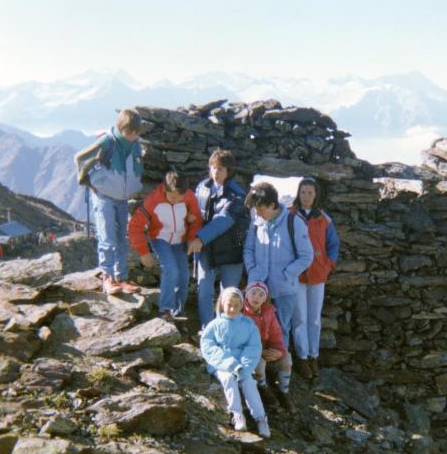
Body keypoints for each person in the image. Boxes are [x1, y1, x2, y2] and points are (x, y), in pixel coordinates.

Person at [74, 108, 144, 295]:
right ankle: (107, 277)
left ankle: (121, 278)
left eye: (136, 133)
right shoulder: (107, 142)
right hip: (104, 197)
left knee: (121, 238)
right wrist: (87, 183)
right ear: (122, 128)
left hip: (121, 198)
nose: (134, 136)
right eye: (130, 132)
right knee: (107, 238)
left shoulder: (135, 144)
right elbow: (80, 158)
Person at [243, 182, 314, 366]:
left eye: (260, 208)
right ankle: (259, 372)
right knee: (253, 329)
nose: (256, 213)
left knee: (281, 330)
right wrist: (253, 271)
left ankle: (280, 371)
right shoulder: (257, 223)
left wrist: (287, 274)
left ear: (272, 205)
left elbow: (306, 256)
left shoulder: (294, 223)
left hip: (283, 290)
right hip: (258, 288)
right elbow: (248, 249)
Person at [128, 171, 202, 321]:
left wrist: (191, 238)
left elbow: (196, 220)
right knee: (171, 269)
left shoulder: (189, 196)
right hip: (160, 239)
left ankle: (179, 310)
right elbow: (135, 226)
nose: (176, 200)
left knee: (184, 275)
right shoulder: (152, 200)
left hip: (180, 240)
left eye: (180, 197)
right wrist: (143, 252)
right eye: (172, 196)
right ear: (165, 189)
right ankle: (165, 309)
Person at [187, 149, 248, 329]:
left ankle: (226, 330)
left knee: (229, 295)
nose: (216, 172)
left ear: (229, 171)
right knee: (204, 290)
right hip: (207, 250)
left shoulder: (237, 195)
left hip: (231, 251)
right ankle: (207, 329)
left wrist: (199, 239)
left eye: (221, 168)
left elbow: (224, 220)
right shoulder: (202, 188)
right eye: (213, 167)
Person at [200, 287, 270, 438]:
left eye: (236, 306)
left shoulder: (248, 325)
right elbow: (208, 346)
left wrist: (244, 367)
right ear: (222, 304)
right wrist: (231, 364)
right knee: (228, 379)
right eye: (229, 305)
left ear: (242, 305)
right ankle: (237, 414)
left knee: (249, 383)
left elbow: (253, 347)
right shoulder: (215, 324)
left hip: (243, 366)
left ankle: (261, 418)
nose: (232, 309)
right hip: (221, 364)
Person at [290, 177, 340, 378]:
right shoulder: (290, 215)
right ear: (298, 193)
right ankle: (302, 358)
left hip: (318, 274)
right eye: (303, 192)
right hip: (298, 275)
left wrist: (329, 265)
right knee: (299, 318)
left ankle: (314, 356)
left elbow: (333, 245)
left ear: (316, 194)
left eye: (310, 193)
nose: (306, 196)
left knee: (314, 320)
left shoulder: (324, 219)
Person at [243, 281, 293, 406]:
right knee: (260, 363)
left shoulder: (269, 312)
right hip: (250, 353)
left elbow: (276, 333)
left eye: (261, 295)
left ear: (265, 298)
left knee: (287, 358)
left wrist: (278, 350)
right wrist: (259, 352)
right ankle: (263, 389)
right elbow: (241, 341)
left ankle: (284, 392)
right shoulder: (241, 314)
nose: (256, 297)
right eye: (253, 293)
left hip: (266, 350)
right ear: (246, 295)